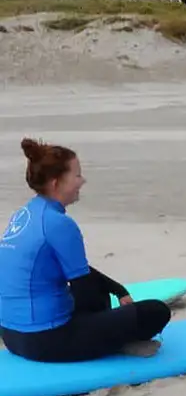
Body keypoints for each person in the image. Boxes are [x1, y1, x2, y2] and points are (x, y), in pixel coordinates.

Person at [0, 138, 172, 363]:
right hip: (44, 342)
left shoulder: (25, 215)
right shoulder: (59, 224)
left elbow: (73, 268)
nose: (82, 181)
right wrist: (107, 327)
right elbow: (85, 294)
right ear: (56, 183)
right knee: (156, 311)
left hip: (11, 336)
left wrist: (117, 289)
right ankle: (116, 345)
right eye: (77, 175)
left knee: (99, 293)